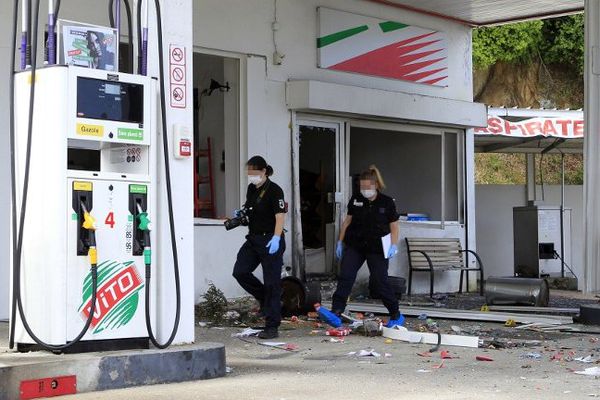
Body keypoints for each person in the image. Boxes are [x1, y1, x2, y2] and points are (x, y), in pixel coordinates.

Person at [331, 165, 405, 327]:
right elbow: (347, 222)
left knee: (380, 281)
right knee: (346, 276)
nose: (364, 190)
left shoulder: (387, 202)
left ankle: (395, 313)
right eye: (362, 186)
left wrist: (393, 245)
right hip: (355, 245)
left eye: (367, 187)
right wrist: (340, 241)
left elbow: (394, 227)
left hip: (377, 248)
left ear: (376, 185)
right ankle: (336, 310)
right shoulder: (356, 199)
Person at [232, 156, 287, 339]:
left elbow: (280, 217)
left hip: (271, 240)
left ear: (264, 171)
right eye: (249, 173)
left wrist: (277, 238)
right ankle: (264, 297)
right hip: (254, 239)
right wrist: (241, 216)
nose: (251, 176)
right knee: (240, 271)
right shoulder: (251, 189)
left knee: (272, 283)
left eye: (254, 173)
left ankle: (272, 326)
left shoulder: (274, 190)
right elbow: (250, 210)